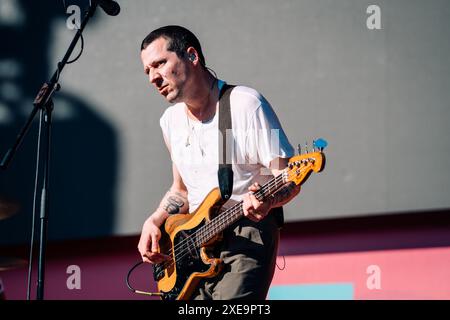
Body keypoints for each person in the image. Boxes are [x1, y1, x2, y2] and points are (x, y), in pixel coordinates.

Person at [137, 25, 301, 300]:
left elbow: (288, 177)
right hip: (195, 248)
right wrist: (154, 220)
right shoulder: (170, 122)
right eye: (147, 71)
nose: (153, 77)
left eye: (160, 64)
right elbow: (181, 191)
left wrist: (269, 201)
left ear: (192, 56)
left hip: (245, 236)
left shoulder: (247, 104)